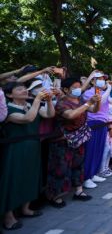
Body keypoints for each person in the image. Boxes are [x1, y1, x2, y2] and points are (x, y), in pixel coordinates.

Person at [0, 82, 55, 230]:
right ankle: (8, 216)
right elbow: (27, 119)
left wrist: (49, 100)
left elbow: (50, 114)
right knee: (13, 179)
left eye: (25, 88)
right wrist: (37, 100)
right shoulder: (7, 110)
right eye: (19, 88)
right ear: (10, 94)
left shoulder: (31, 105)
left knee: (30, 177)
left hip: (33, 146)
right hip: (15, 149)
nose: (24, 90)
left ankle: (26, 208)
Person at [46, 78, 100, 208]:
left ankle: (78, 191)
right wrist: (88, 104)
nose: (78, 89)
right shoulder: (61, 103)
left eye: (79, 86)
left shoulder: (80, 100)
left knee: (78, 164)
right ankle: (55, 196)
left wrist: (97, 102)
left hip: (79, 139)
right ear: (65, 89)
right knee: (60, 168)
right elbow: (71, 115)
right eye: (75, 87)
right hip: (63, 140)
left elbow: (94, 110)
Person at [81, 72, 112, 188]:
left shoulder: (104, 92)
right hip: (92, 123)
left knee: (99, 149)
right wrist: (108, 88)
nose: (102, 81)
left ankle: (93, 173)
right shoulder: (88, 93)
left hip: (103, 123)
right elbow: (101, 101)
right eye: (99, 79)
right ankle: (86, 177)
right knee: (91, 150)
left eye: (103, 79)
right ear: (93, 81)